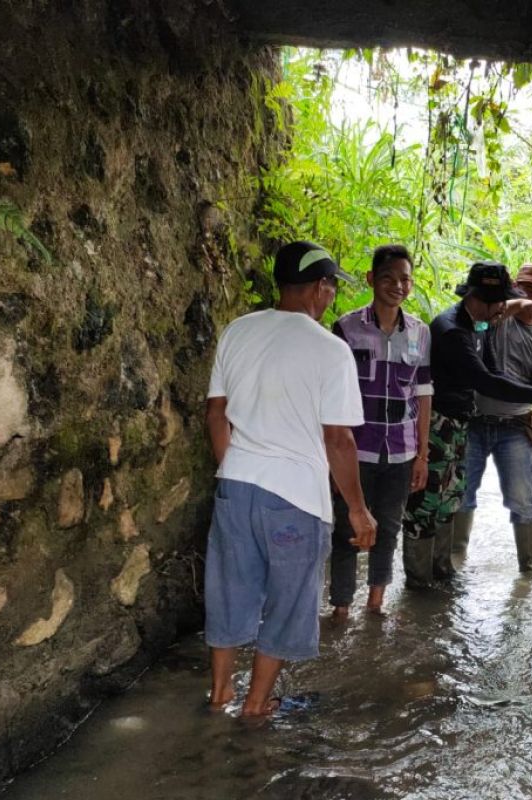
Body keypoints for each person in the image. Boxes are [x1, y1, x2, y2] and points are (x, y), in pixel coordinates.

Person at [203, 240, 376, 717]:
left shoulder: (237, 331)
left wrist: (232, 466)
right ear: (320, 287)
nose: (330, 299)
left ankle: (219, 694)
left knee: (230, 590)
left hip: (235, 487)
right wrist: (358, 510)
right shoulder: (330, 350)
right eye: (330, 289)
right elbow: (338, 440)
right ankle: (256, 704)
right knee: (288, 601)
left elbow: (216, 413)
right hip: (296, 499)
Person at [401, 261, 532, 588]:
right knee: (430, 502)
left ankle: (444, 574)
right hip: (443, 423)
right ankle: (422, 581)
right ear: (481, 299)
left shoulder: (481, 324)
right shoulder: (458, 329)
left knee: (454, 498)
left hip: (475, 424)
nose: (504, 308)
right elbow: (486, 382)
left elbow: (494, 371)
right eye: (502, 301)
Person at [327, 245, 432, 620]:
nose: (397, 286)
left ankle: (375, 603)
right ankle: (340, 607)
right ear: (372, 279)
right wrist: (330, 457)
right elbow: (330, 394)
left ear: (411, 284)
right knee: (346, 529)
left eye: (404, 279)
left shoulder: (420, 333)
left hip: (401, 452)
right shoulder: (346, 328)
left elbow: (422, 395)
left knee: (388, 528)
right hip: (354, 450)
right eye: (388, 278)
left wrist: (422, 455)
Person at [452, 264, 532, 573]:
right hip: (474, 420)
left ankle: (528, 570)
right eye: (528, 290)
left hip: (515, 428)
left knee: (523, 499)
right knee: (462, 492)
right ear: (514, 289)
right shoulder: (493, 319)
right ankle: (454, 562)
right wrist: (517, 304)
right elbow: (478, 323)